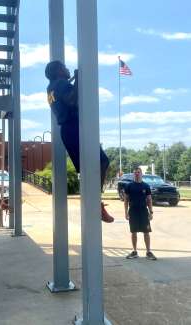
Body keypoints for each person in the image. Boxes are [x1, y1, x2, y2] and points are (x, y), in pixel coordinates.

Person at [45, 60, 114, 223]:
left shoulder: (50, 88)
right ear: (58, 71)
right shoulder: (61, 83)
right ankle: (96, 203)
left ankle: (94, 203)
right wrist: (78, 79)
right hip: (75, 127)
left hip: (67, 131)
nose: (67, 69)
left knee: (87, 169)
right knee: (102, 161)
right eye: (64, 67)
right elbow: (71, 100)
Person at [124, 167, 157, 260]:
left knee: (146, 232)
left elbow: (149, 200)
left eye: (138, 172)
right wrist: (126, 212)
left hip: (143, 211)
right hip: (133, 211)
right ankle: (134, 252)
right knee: (133, 232)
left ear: (141, 174)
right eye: (135, 173)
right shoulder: (129, 186)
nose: (137, 174)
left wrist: (151, 212)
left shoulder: (146, 186)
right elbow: (126, 200)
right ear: (133, 174)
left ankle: (148, 252)